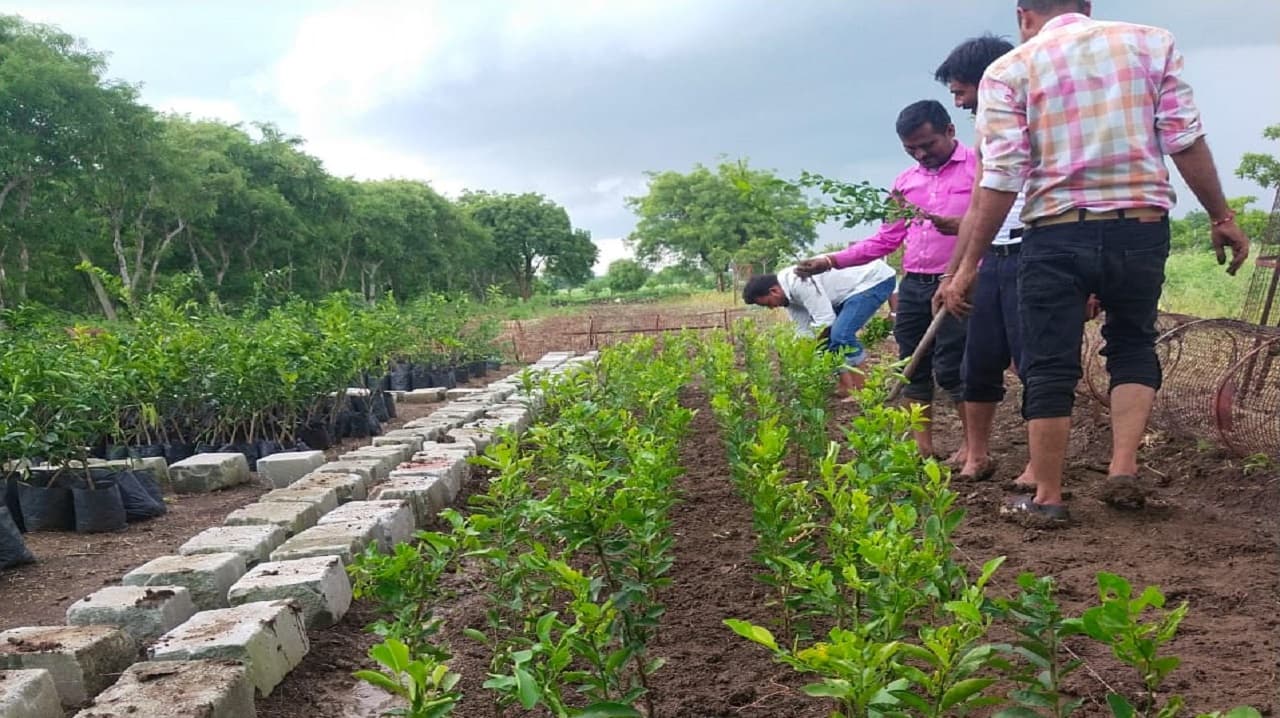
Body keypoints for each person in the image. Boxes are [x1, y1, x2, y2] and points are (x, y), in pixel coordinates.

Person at [941, 0, 1249, 525]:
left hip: (1055, 234)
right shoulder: (1153, 42)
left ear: (1023, 15)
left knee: (1050, 361)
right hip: (1141, 226)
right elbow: (1183, 138)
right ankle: (1122, 466)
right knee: (1132, 341)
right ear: (1086, 6)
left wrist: (968, 263)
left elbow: (1001, 177)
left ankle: (1049, 498)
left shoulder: (1009, 70)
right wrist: (1220, 215)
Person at [797, 100, 975, 459]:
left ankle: (972, 445)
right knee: (911, 365)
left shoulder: (980, 170)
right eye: (911, 149)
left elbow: (997, 223)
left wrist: (961, 227)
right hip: (914, 284)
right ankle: (923, 447)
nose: (921, 155)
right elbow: (886, 239)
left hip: (963, 281)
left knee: (956, 366)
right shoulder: (905, 184)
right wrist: (830, 260)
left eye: (928, 145)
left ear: (950, 131)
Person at [934, 34, 1036, 484]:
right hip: (992, 258)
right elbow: (978, 209)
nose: (958, 103)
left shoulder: (1038, 118)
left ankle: (1039, 464)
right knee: (977, 361)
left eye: (960, 92)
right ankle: (977, 455)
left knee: (1036, 364)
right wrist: (955, 272)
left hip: (1035, 250)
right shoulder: (985, 133)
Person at [742, 259, 896, 397]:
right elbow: (804, 331)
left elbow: (825, 321)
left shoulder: (799, 282)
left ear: (774, 291)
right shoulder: (788, 297)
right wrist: (796, 354)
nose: (771, 308)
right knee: (827, 341)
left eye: (768, 303)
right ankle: (847, 388)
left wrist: (811, 352)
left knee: (841, 335)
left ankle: (862, 391)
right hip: (848, 291)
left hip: (873, 280)